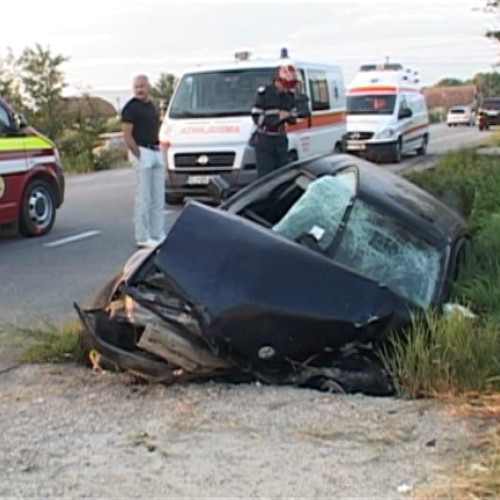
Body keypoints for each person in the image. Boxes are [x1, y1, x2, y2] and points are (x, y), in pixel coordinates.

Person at [122, 75, 165, 248]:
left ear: (148, 87)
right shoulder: (130, 108)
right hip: (142, 151)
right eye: (136, 86)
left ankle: (157, 233)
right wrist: (138, 154)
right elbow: (127, 134)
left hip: (155, 150)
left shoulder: (152, 106)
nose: (139, 89)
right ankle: (142, 236)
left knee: (158, 196)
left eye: (142, 86)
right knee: (144, 197)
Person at [251, 64, 299, 178]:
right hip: (265, 138)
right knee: (265, 174)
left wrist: (289, 117)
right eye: (286, 85)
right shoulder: (264, 94)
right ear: (278, 81)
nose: (287, 89)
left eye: (290, 86)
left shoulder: (289, 96)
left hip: (281, 138)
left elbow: (294, 117)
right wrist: (277, 118)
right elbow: (256, 117)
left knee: (282, 173)